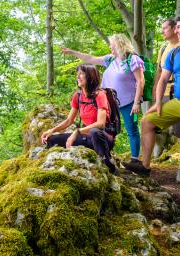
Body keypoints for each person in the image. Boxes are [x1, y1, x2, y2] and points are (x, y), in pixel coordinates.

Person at [125, 12, 180, 177]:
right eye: (175, 27)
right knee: (147, 121)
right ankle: (145, 167)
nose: (176, 31)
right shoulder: (174, 53)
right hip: (177, 102)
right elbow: (162, 79)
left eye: (179, 27)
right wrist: (158, 103)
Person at [62, 34, 145, 165]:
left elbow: (140, 81)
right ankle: (105, 153)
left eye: (111, 44)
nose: (110, 46)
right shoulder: (110, 59)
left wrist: (136, 102)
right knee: (104, 129)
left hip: (128, 102)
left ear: (119, 44)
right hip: (108, 102)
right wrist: (73, 52)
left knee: (132, 129)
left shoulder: (132, 59)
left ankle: (135, 160)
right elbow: (90, 58)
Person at [41, 64, 117, 174]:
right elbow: (69, 121)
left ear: (90, 76)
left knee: (94, 132)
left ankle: (108, 165)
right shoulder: (78, 96)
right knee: (51, 140)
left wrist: (77, 132)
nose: (78, 77)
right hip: (87, 138)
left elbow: (101, 124)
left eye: (81, 74)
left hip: (103, 137)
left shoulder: (100, 95)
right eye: (77, 74)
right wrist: (51, 131)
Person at [153, 19, 180, 183]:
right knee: (150, 125)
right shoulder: (163, 48)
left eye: (165, 28)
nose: (162, 31)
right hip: (164, 93)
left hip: (179, 94)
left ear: (175, 29)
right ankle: (146, 165)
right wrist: (156, 97)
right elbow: (159, 73)